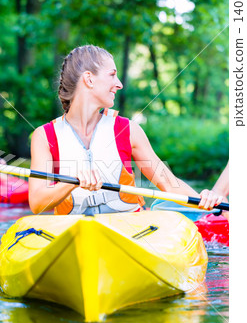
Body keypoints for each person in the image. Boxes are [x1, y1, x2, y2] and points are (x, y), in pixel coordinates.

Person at [29, 45, 224, 215]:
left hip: (131, 228)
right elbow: (37, 204)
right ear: (89, 79)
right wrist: (69, 183)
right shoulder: (44, 136)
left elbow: (168, 183)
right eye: (112, 75)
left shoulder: (128, 129)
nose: (119, 84)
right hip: (74, 232)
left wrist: (202, 200)